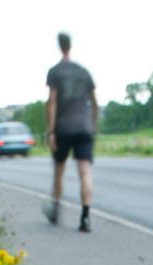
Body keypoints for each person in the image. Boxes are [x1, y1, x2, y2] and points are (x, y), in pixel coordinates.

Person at [44, 33, 98, 233]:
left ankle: (56, 210)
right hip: (84, 127)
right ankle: (85, 217)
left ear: (59, 46)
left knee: (59, 171)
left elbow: (52, 102)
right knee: (85, 172)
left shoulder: (55, 72)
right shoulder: (84, 72)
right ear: (71, 46)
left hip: (63, 128)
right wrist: (92, 126)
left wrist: (51, 131)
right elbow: (95, 103)